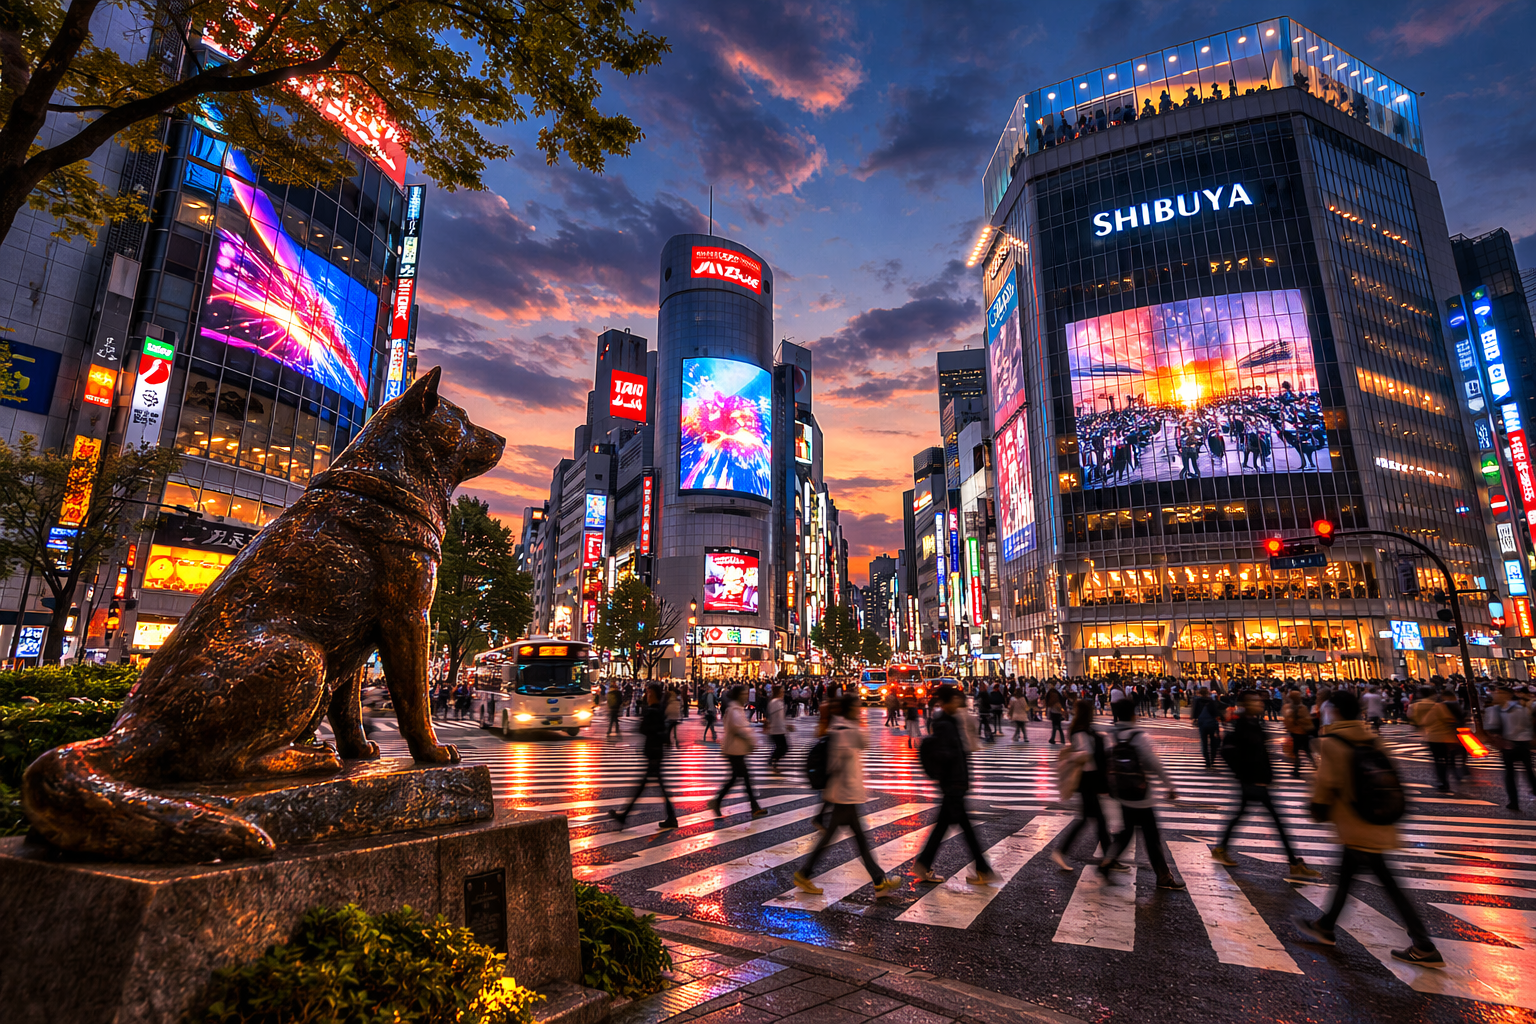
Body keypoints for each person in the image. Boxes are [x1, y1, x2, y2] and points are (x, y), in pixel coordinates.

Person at [1296, 690, 1444, 968]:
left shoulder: (1332, 743)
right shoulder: (1372, 738)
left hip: (1356, 824)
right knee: (1354, 877)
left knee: (1386, 884)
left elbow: (1325, 786)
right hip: (1378, 821)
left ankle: (1423, 944)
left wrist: (1316, 808)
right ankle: (1326, 926)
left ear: (1334, 711)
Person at [792, 695, 904, 897]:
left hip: (844, 793)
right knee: (847, 839)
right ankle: (805, 873)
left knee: (853, 838)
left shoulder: (840, 729)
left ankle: (878, 880)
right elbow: (864, 743)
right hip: (845, 793)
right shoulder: (846, 731)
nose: (859, 710)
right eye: (856, 707)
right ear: (848, 710)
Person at [1211, 691, 1321, 881]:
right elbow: (1235, 753)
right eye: (1254, 700)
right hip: (1253, 781)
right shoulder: (1243, 724)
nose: (1260, 703)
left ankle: (1221, 848)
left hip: (1258, 781)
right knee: (1277, 822)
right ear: (1246, 704)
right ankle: (1294, 863)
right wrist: (1246, 774)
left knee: (1245, 816)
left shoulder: (1254, 722)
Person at [913, 685, 998, 885]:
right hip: (954, 783)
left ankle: (924, 863)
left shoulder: (948, 721)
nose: (960, 703)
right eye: (956, 700)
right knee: (965, 830)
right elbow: (947, 754)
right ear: (947, 702)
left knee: (946, 826)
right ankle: (982, 868)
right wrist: (953, 776)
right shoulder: (945, 724)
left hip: (954, 782)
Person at [1098, 698, 1185, 889]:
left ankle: (1107, 862)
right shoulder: (1139, 736)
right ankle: (1163, 877)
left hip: (1121, 792)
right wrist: (1169, 785)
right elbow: (1153, 763)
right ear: (1133, 713)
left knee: (1127, 832)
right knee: (1151, 836)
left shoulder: (1111, 734)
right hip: (1141, 794)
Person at [609, 684, 679, 829]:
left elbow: (645, 729)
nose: (646, 695)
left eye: (648, 693)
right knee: (650, 787)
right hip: (654, 753)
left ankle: (625, 815)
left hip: (653, 753)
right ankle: (670, 817)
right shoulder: (658, 710)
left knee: (645, 787)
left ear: (652, 693)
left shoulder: (654, 711)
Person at [1051, 700, 1109, 871]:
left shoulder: (1082, 729)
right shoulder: (1080, 731)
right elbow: (1086, 752)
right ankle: (1061, 851)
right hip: (1086, 778)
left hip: (1089, 778)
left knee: (1095, 819)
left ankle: (1109, 856)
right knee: (1092, 819)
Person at [711, 686, 766, 817]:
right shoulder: (734, 709)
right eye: (743, 694)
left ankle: (718, 801)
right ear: (737, 695)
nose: (745, 696)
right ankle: (754, 807)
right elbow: (739, 728)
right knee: (745, 777)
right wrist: (752, 740)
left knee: (737, 777)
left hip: (736, 748)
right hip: (734, 749)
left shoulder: (736, 709)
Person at [1484, 685, 1536, 811]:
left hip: (1521, 743)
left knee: (1527, 772)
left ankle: (1525, 795)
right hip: (1508, 745)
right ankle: (1513, 801)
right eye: (1496, 693)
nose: (1496, 695)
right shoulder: (1494, 710)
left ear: (1507, 695)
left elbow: (1528, 725)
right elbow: (1491, 728)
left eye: (1499, 693)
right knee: (1511, 773)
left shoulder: (1519, 709)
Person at [1410, 688, 1458, 793]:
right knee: (1446, 759)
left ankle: (1442, 781)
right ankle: (1447, 780)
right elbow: (1449, 719)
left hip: (1430, 736)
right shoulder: (1438, 706)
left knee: (1437, 760)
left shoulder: (1415, 706)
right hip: (1444, 736)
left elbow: (1414, 719)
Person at [1282, 690, 1315, 776]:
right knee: (1302, 752)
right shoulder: (1297, 707)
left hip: (1300, 733)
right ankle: (1297, 769)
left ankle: (1297, 769)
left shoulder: (1298, 708)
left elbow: (1306, 720)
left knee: (1301, 752)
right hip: (1298, 733)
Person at [1192, 687, 1222, 770]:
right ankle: (1212, 759)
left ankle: (1207, 761)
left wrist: (1195, 720)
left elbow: (1195, 713)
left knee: (1204, 743)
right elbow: (1216, 714)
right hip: (1212, 724)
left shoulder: (1197, 701)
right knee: (1213, 742)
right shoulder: (1211, 701)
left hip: (1202, 724)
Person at [766, 684, 789, 773]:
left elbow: (780, 717)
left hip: (779, 728)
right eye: (781, 691)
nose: (783, 692)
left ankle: (774, 762)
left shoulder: (778, 702)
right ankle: (772, 760)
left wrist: (786, 726)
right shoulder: (775, 702)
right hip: (776, 729)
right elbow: (774, 717)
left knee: (781, 747)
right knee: (783, 747)